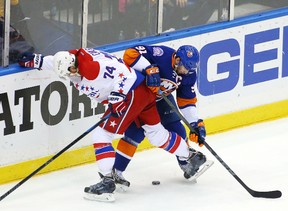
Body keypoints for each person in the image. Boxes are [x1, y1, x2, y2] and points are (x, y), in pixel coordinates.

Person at [18, 47, 208, 202]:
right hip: (144, 92)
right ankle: (189, 155)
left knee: (101, 135)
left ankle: (107, 182)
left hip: (131, 93)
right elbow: (59, 62)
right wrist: (37, 61)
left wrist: (118, 94)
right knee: (155, 133)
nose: (71, 74)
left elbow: (123, 73)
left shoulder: (90, 68)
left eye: (70, 71)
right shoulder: (73, 57)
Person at [112, 44, 213, 189]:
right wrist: (148, 69)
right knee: (134, 134)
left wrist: (194, 123)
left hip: (160, 99)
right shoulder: (161, 54)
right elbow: (129, 54)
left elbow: (186, 100)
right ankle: (116, 172)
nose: (186, 71)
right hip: (139, 98)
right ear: (177, 59)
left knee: (177, 128)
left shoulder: (189, 74)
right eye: (184, 67)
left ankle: (186, 163)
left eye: (189, 69)